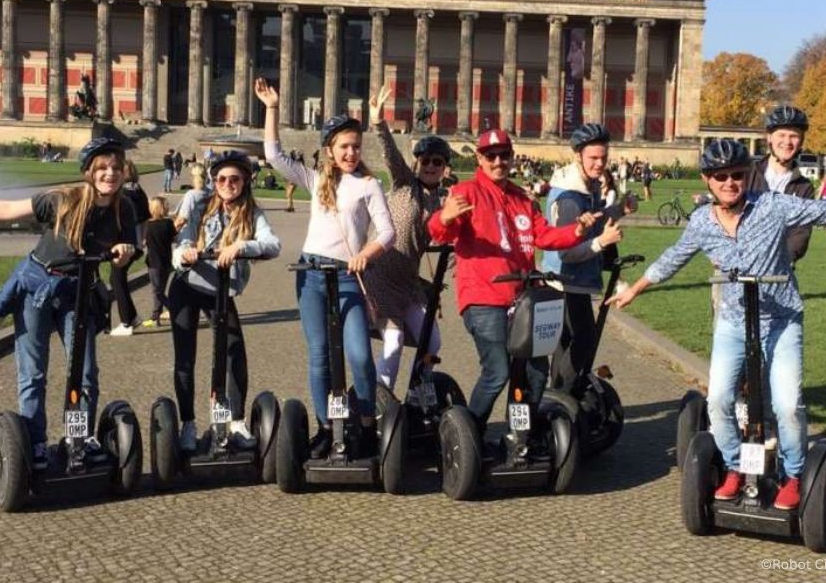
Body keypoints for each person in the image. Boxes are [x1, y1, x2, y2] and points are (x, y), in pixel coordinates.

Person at [606, 139, 826, 511]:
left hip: (781, 319)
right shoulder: (702, 221)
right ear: (707, 180)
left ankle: (794, 474)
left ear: (747, 176)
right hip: (734, 322)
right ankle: (734, 467)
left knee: (786, 405)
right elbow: (674, 257)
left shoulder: (772, 207)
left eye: (736, 175)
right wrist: (635, 288)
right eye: (720, 176)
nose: (729, 182)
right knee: (718, 401)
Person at [0, 138, 138, 469]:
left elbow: (125, 256)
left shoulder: (123, 208)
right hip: (35, 288)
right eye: (102, 168)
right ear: (88, 172)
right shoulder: (64, 199)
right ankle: (36, 443)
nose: (110, 174)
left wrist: (124, 254)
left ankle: (77, 438)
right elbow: (10, 209)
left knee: (85, 373)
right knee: (33, 373)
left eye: (115, 167)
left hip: (78, 291)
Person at [256, 77, 395, 459]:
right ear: (330, 150)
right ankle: (325, 427)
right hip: (312, 275)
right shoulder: (316, 180)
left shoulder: (369, 184)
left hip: (348, 276)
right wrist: (271, 108)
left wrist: (366, 253)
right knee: (319, 354)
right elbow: (273, 156)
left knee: (359, 356)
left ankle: (366, 423)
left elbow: (388, 232)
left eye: (355, 146)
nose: (350, 152)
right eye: (343, 147)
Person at [427, 128, 597, 431]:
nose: (498, 161)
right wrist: (444, 217)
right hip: (483, 298)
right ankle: (468, 434)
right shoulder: (466, 193)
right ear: (480, 158)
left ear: (511, 157)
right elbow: (441, 234)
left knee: (534, 372)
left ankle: (521, 433)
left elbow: (543, 234)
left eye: (503, 155)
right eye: (490, 156)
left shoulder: (521, 198)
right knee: (498, 371)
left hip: (522, 300)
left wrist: (577, 231)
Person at [169, 151, 281, 451]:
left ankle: (236, 422)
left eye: (235, 179)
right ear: (213, 180)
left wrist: (242, 245)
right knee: (185, 357)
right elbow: (179, 244)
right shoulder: (197, 202)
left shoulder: (252, 212)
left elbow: (273, 245)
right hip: (186, 286)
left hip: (219, 290)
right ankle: (188, 424)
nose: (228, 184)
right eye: (222, 179)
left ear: (245, 181)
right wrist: (187, 253)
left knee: (233, 353)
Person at [363, 84, 452, 389]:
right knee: (394, 339)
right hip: (381, 275)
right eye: (425, 160)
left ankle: (419, 390)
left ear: (444, 168)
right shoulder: (404, 184)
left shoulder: (443, 202)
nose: (429, 165)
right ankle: (380, 400)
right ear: (417, 163)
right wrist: (378, 123)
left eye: (436, 162)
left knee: (433, 341)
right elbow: (389, 154)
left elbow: (446, 241)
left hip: (408, 283)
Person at [541, 123, 631, 393]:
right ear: (578, 155)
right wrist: (602, 243)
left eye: (603, 157)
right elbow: (566, 251)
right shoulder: (569, 198)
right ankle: (561, 397)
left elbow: (592, 222)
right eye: (593, 158)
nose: (600, 163)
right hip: (567, 281)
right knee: (584, 339)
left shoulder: (585, 186)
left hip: (572, 280)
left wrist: (619, 210)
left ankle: (559, 399)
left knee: (566, 342)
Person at [744, 105, 817, 263]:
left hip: (779, 269)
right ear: (769, 138)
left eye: (793, 136)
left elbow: (801, 233)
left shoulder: (804, 187)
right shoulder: (746, 175)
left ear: (801, 141)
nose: (787, 142)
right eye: (781, 135)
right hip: (738, 264)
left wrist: (778, 260)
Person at [109, 160, 150, 336]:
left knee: (117, 279)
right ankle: (132, 317)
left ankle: (126, 322)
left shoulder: (123, 193)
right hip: (137, 243)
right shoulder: (139, 190)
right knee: (117, 278)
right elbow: (146, 218)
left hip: (126, 244)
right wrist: (143, 239)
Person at [141, 196, 176, 328]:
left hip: (154, 262)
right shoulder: (168, 224)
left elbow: (145, 243)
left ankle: (169, 310)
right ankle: (157, 315)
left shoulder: (149, 225)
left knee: (157, 291)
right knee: (160, 289)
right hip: (166, 261)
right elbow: (173, 237)